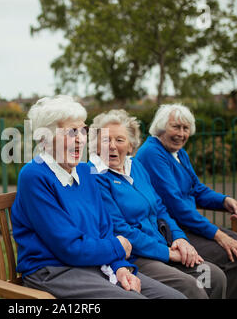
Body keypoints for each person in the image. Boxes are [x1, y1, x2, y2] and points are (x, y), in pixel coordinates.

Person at [11, 95, 186, 299]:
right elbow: (68, 247)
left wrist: (120, 267)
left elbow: (104, 228)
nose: (80, 139)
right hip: (52, 270)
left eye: (82, 131)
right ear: (46, 139)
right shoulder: (34, 176)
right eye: (71, 132)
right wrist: (118, 247)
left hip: (93, 264)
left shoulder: (85, 172)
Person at [87, 109, 226, 299]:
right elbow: (120, 229)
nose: (111, 146)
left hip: (164, 245)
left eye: (119, 140)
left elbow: (160, 208)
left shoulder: (135, 166)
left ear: (130, 145)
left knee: (214, 276)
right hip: (137, 256)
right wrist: (167, 253)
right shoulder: (95, 175)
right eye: (105, 140)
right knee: (192, 286)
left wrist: (179, 239)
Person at [136, 103, 237, 299]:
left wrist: (225, 200)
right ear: (161, 127)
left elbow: (197, 189)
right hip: (173, 231)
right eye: (176, 127)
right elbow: (176, 206)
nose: (181, 134)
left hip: (188, 225)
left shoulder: (179, 153)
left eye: (186, 128)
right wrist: (219, 235)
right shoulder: (152, 153)